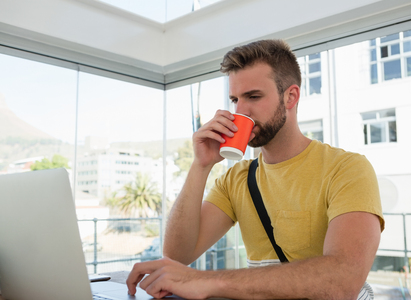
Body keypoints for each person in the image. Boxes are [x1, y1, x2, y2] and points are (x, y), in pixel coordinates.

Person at [126, 39, 384, 300]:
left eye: (253, 97)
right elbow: (177, 256)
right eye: (235, 99)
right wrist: (200, 166)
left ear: (290, 96)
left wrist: (206, 281)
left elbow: (341, 280)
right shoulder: (235, 179)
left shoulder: (347, 169)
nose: (241, 112)